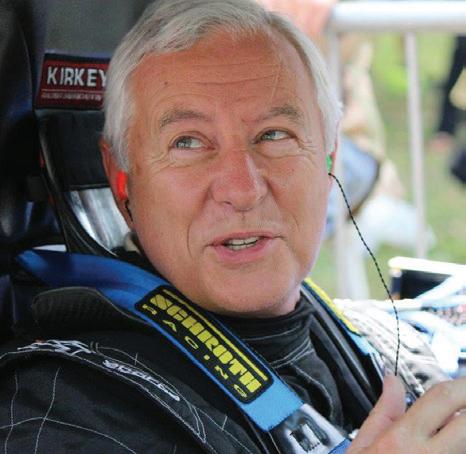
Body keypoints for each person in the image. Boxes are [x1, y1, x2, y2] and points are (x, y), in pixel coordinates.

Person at [0, 0, 465, 452]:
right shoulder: (65, 409)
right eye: (188, 143)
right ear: (123, 181)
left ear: (329, 158)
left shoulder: (374, 346)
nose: (242, 189)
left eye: (274, 135)